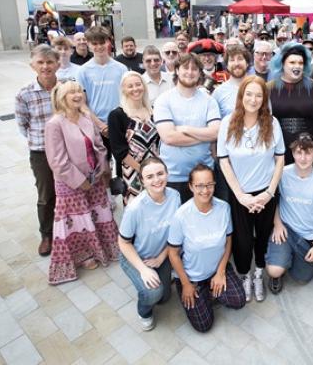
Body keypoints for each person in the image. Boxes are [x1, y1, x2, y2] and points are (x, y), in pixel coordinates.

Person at [44, 81, 119, 284]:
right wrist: (79, 181)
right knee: (78, 221)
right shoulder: (54, 124)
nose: (78, 95)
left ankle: (103, 247)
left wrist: (102, 170)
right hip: (70, 183)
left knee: (98, 213)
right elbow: (57, 161)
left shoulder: (86, 117)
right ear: (62, 98)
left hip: (94, 177)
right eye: (72, 92)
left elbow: (99, 146)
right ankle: (84, 255)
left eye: (79, 91)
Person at [218, 76, 285, 303]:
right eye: (249, 94)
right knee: (243, 241)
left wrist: (269, 193)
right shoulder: (228, 123)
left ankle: (259, 273)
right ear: (241, 96)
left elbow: (280, 159)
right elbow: (224, 161)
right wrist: (241, 195)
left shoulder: (272, 123)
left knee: (263, 236)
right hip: (240, 195)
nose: (253, 99)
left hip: (266, 192)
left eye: (258, 95)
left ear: (264, 99)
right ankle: (245, 274)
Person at [167, 164, 245, 332]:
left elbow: (228, 240)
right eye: (199, 185)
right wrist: (186, 284)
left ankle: (210, 291)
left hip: (217, 269)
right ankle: (203, 294)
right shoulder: (181, 216)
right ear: (191, 186)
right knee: (203, 326)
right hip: (192, 276)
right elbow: (173, 254)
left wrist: (221, 272)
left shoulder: (224, 208)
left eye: (209, 185)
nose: (205, 190)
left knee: (239, 300)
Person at [266, 133, 313, 294]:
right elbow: (272, 201)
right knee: (274, 270)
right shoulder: (282, 173)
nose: (303, 158)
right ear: (293, 153)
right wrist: (277, 224)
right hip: (285, 230)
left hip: (308, 236)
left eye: (308, 153)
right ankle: (280, 261)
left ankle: (289, 257)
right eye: (299, 152)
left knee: (303, 278)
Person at [118, 158, 181, 331]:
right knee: (153, 293)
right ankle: (144, 312)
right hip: (135, 257)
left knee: (164, 298)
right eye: (150, 176)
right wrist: (143, 270)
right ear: (142, 181)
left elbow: (176, 234)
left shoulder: (175, 196)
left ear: (167, 174)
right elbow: (123, 243)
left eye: (160, 173)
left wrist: (161, 258)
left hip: (160, 254)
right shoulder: (135, 208)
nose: (157, 180)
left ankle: (158, 280)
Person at [154, 53, 221, 202]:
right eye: (185, 68)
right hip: (173, 176)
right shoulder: (163, 100)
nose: (190, 72)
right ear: (177, 70)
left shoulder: (209, 101)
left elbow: (216, 132)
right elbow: (169, 137)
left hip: (204, 176)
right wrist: (204, 135)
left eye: (194, 69)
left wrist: (186, 129)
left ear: (199, 73)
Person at [14, 45, 60, 256]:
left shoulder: (66, 88)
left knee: (70, 191)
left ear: (57, 64)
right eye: (40, 62)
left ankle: (70, 230)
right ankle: (47, 234)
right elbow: (22, 125)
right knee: (46, 194)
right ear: (32, 65)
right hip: (41, 152)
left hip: (66, 149)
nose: (45, 66)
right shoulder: (24, 94)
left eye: (50, 62)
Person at [76, 26, 128, 166]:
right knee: (102, 168)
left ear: (108, 42)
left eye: (102, 42)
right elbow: (82, 104)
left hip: (120, 125)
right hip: (96, 126)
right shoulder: (83, 71)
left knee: (123, 166)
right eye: (95, 43)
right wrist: (101, 126)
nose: (99, 47)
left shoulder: (121, 68)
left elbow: (127, 98)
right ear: (88, 44)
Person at [268, 43, 313, 164]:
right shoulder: (269, 88)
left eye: (300, 63)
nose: (297, 66)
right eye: (292, 62)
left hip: (309, 152)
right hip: (278, 152)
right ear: (282, 64)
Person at [108, 72, 161, 205]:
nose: (135, 89)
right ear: (123, 90)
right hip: (132, 174)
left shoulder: (154, 111)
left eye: (138, 84)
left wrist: (154, 172)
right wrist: (143, 171)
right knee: (137, 211)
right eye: (130, 86)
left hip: (157, 173)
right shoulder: (117, 115)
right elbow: (119, 151)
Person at [212, 45, 251, 118]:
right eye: (232, 60)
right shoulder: (218, 93)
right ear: (227, 66)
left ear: (247, 63)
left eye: (240, 59)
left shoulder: (259, 88)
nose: (236, 63)